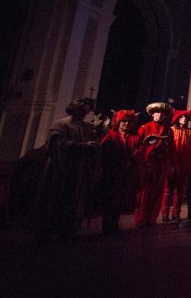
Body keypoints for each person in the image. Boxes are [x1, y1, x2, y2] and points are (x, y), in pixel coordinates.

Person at [29, 97, 101, 242]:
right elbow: (58, 144)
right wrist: (83, 146)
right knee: (55, 198)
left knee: (75, 199)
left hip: (79, 169)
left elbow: (94, 145)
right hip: (60, 168)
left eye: (86, 112)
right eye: (82, 111)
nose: (84, 114)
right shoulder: (61, 124)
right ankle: (48, 230)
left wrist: (94, 148)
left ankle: (68, 230)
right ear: (75, 110)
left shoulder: (87, 127)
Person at [99, 109, 140, 235]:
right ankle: (107, 226)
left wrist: (133, 160)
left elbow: (139, 152)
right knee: (110, 199)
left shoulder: (134, 137)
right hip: (112, 173)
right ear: (118, 122)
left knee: (120, 199)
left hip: (126, 174)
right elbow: (104, 153)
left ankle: (114, 224)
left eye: (129, 122)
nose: (126, 124)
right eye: (124, 121)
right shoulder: (111, 135)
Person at [135, 102, 174, 227]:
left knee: (158, 192)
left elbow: (171, 149)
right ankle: (141, 219)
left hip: (162, 165)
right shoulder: (145, 128)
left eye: (162, 113)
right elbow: (138, 146)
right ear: (152, 114)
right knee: (144, 193)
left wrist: (170, 164)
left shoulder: (168, 130)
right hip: (148, 164)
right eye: (157, 112)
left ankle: (152, 218)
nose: (159, 115)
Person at [162, 106, 191, 223]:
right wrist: (169, 164)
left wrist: (190, 163)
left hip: (184, 164)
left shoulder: (190, 132)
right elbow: (168, 148)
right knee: (168, 190)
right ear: (177, 119)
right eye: (181, 117)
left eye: (185, 118)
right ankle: (165, 213)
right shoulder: (171, 130)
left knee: (180, 191)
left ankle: (176, 213)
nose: (184, 119)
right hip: (172, 163)